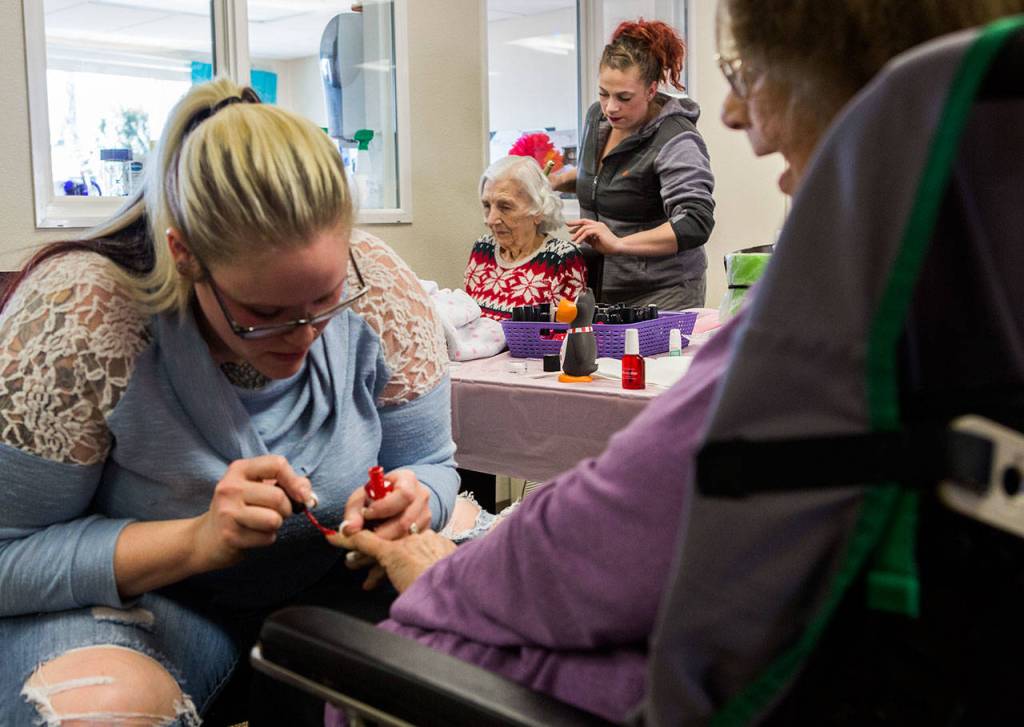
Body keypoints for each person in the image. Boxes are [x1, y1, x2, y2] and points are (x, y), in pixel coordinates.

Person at [331, 2, 1024, 723]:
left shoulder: (829, 304)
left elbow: (609, 534)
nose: (731, 111)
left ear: (861, 90)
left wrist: (443, 573)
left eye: (748, 74)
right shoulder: (968, 289)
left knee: (406, 638)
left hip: (662, 315)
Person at [0, 79, 458, 724]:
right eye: (264, 312)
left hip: (323, 593)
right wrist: (195, 540)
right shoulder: (87, 315)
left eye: (325, 300)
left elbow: (434, 465)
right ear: (183, 254)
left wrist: (417, 500)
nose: (304, 336)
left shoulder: (377, 289)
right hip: (147, 606)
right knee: (101, 709)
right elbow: (6, 556)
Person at [552, 18, 715, 311]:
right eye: (603, 93)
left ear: (652, 90)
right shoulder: (597, 119)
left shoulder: (676, 139)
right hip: (601, 287)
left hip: (663, 294)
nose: (611, 107)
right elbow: (607, 178)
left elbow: (694, 222)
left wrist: (619, 244)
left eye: (624, 97)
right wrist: (553, 183)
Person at [464, 155, 587, 320]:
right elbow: (467, 320)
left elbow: (567, 335)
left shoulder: (560, 259)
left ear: (538, 210)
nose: (491, 219)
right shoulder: (482, 250)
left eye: (505, 206)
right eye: (487, 205)